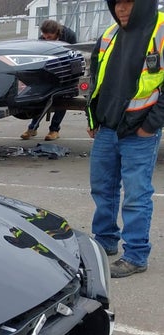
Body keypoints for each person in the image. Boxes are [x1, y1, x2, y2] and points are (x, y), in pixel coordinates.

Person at [87, 0, 164, 278]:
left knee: (136, 195)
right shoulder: (110, 34)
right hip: (107, 128)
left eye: (129, 2)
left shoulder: (161, 31)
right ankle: (105, 241)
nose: (121, 8)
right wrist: (94, 117)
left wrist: (151, 125)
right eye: (117, 2)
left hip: (139, 130)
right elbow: (96, 77)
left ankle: (136, 254)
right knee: (102, 188)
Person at [21, 19, 78, 141]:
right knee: (40, 100)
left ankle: (54, 130)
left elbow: (75, 56)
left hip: (66, 72)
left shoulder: (69, 36)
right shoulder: (41, 39)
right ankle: (32, 128)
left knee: (61, 101)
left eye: (50, 37)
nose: (47, 39)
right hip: (50, 72)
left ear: (57, 32)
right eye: (45, 36)